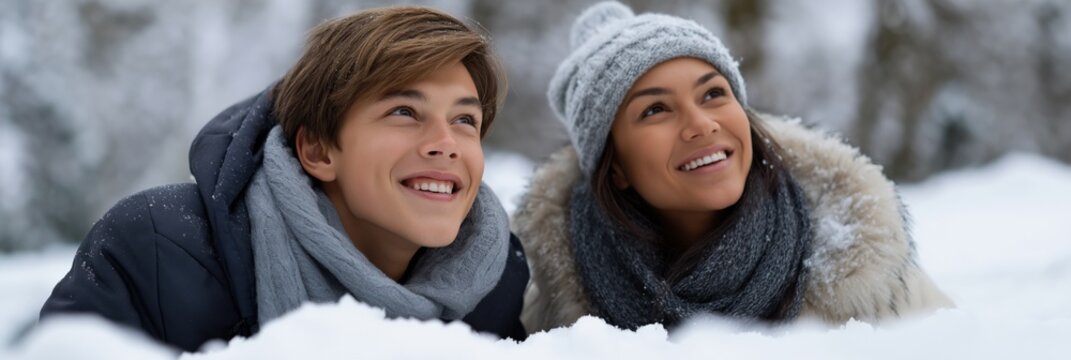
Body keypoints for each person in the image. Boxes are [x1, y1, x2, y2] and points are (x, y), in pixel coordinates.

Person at [40, 6, 528, 351]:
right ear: (317, 150)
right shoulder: (157, 248)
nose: (445, 142)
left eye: (464, 120)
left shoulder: (496, 283)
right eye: (404, 111)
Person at [515, 1, 953, 332]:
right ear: (616, 169)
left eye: (713, 94)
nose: (701, 125)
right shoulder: (554, 314)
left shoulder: (868, 275)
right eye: (655, 111)